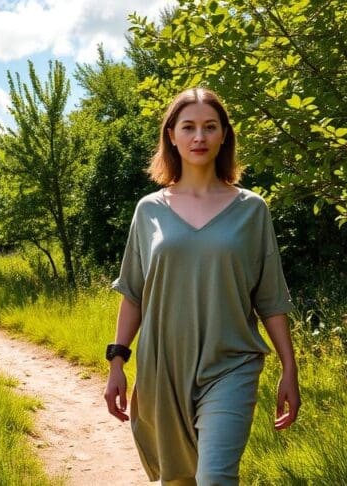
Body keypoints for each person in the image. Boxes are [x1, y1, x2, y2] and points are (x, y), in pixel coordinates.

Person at [103, 87, 300, 486]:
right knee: (178, 480)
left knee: (214, 478)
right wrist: (117, 361)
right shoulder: (148, 211)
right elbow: (134, 294)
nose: (199, 137)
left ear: (224, 135)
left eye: (210, 127)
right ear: (171, 135)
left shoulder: (252, 209)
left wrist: (289, 367)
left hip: (232, 363)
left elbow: (270, 299)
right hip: (164, 368)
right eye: (188, 127)